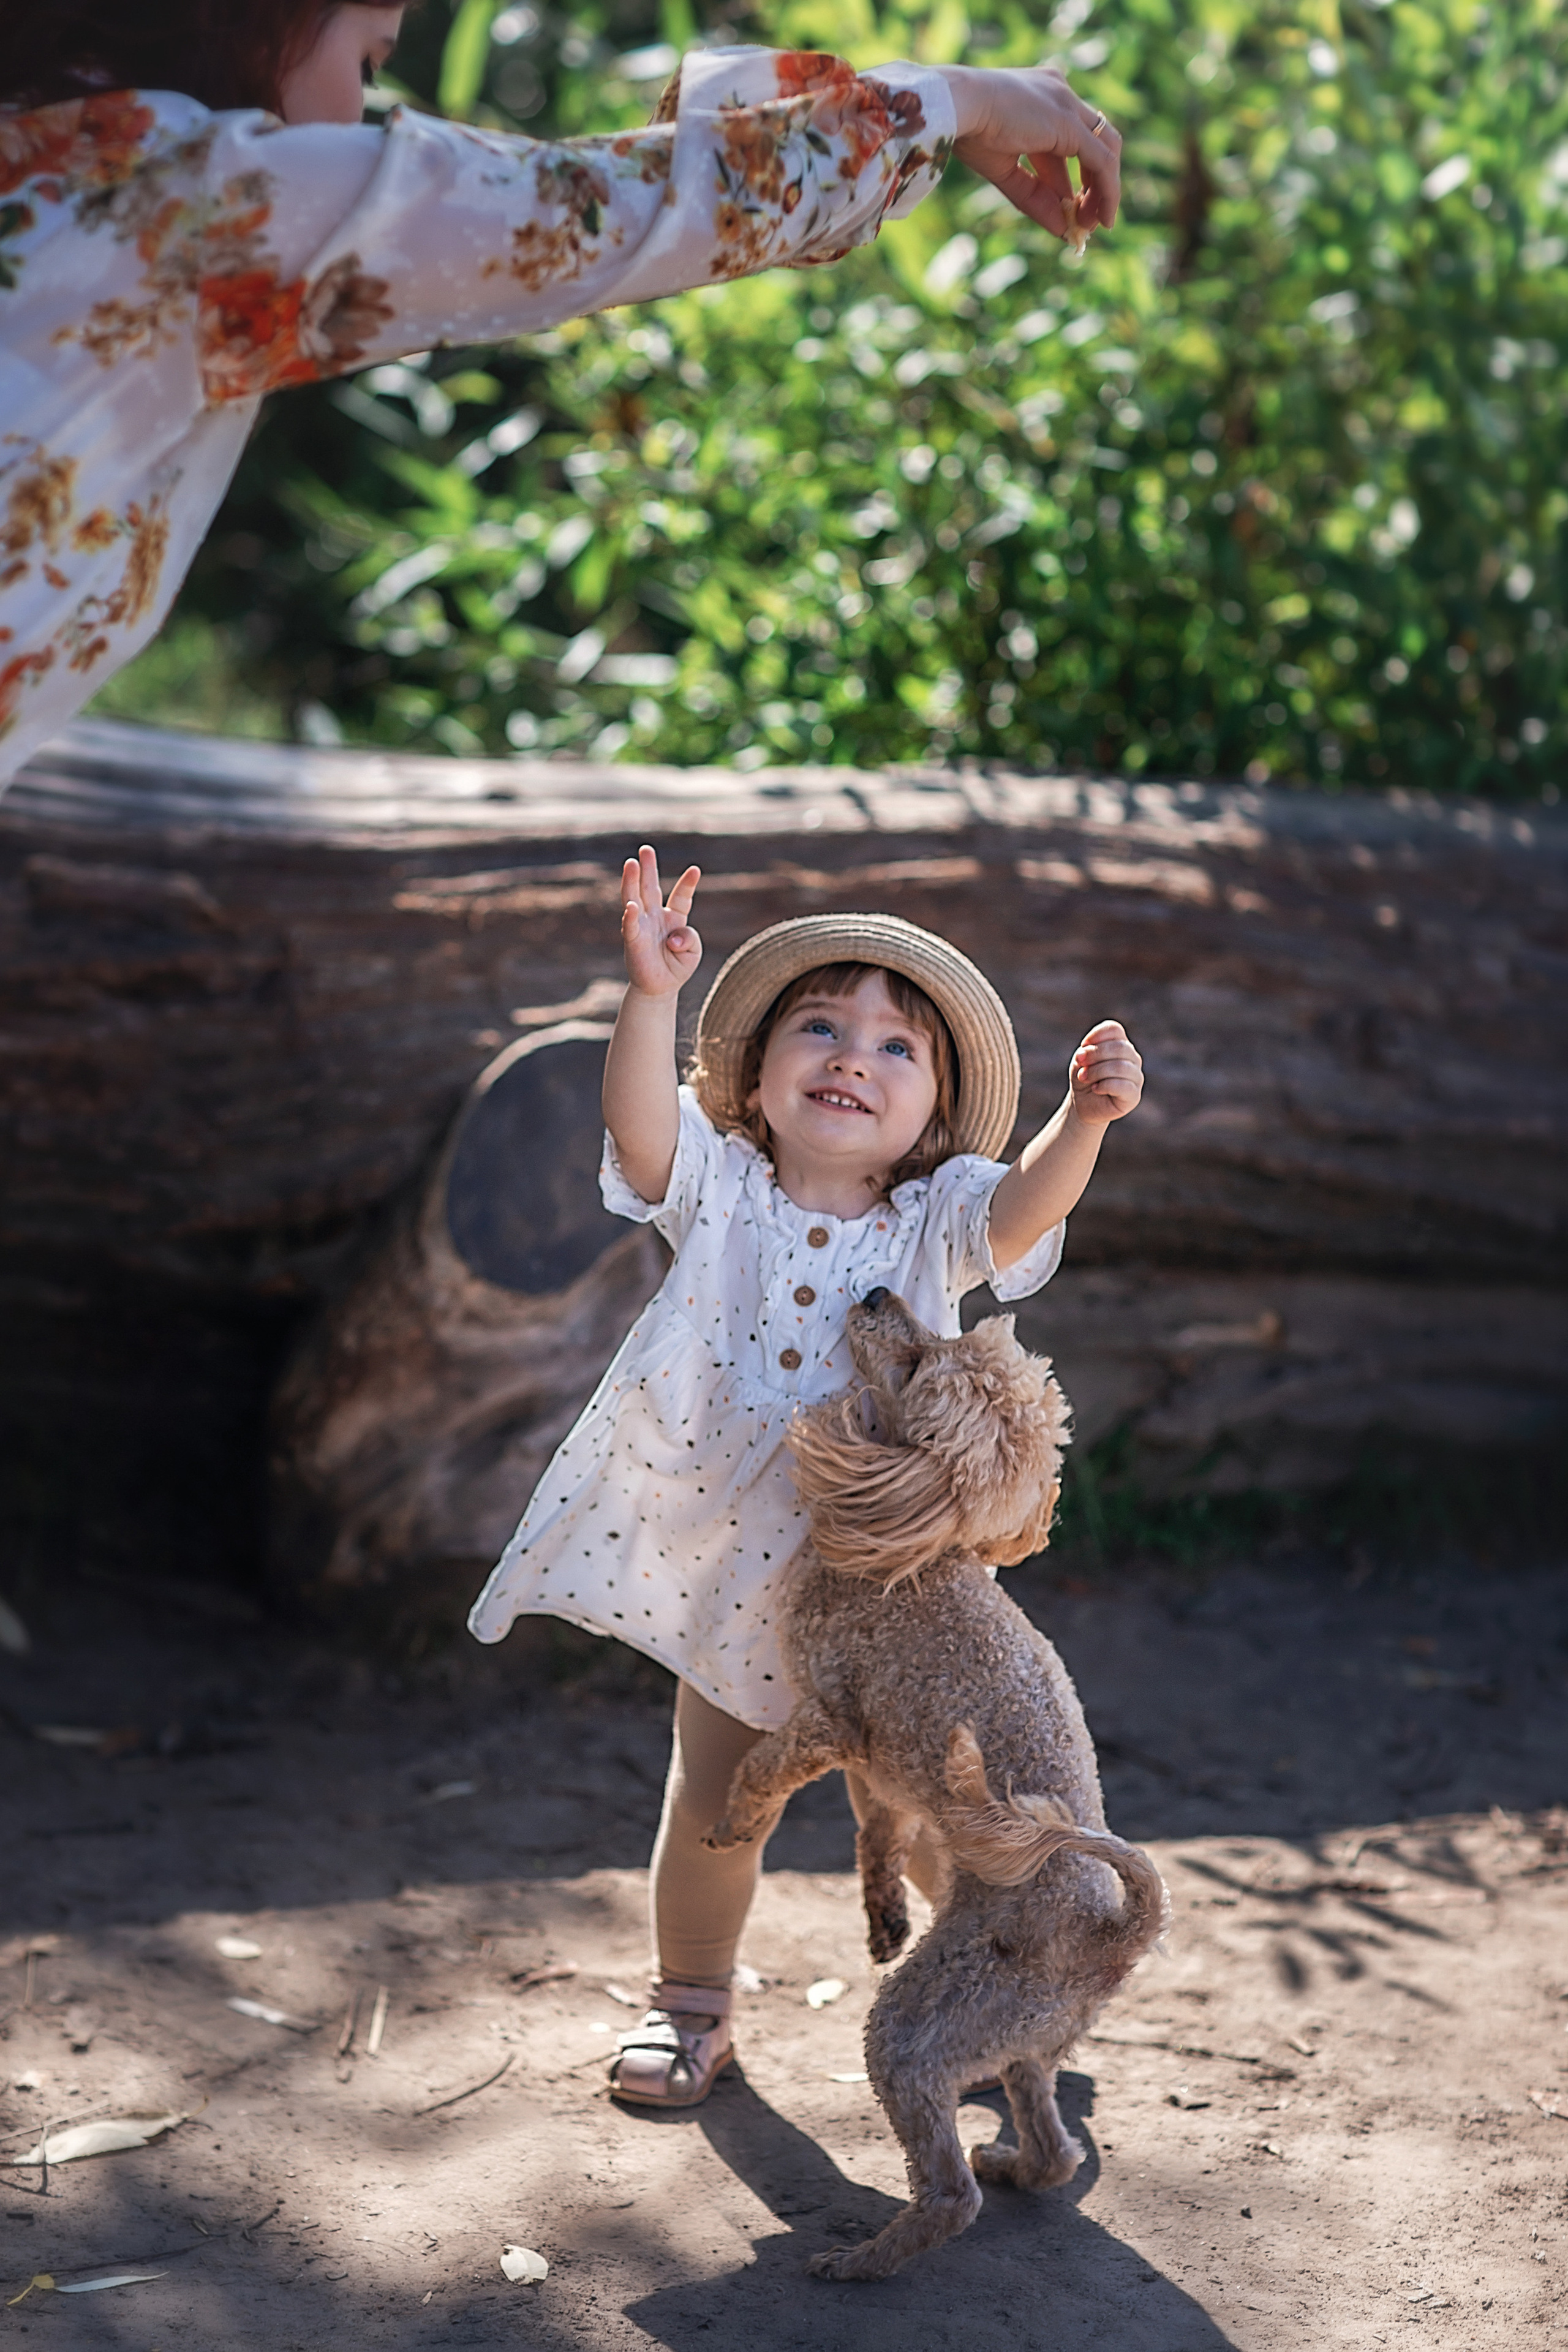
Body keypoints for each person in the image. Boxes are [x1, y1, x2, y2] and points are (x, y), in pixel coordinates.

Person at [0, 2, 1121, 786]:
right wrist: (961, 100)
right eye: (376, 60)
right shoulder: (187, 204)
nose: (365, 117)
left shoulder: (61, 171)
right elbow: (627, 211)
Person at [467, 848, 1145, 2104]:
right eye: (820, 1028)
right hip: (739, 1582)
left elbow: (1021, 1218)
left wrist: (1085, 1120)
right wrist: (649, 994)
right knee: (719, 1801)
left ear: (934, 1110)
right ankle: (691, 2005)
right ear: (756, 1076)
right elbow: (639, 1126)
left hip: (899, 1601)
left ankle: (988, 2004)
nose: (850, 1057)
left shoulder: (934, 1217)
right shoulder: (720, 1188)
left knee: (965, 1815)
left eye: (896, 1047)